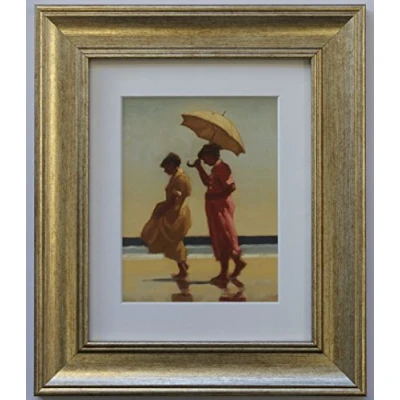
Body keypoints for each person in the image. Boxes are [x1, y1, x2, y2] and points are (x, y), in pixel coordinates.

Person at [191, 143, 246, 286]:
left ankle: (226, 271)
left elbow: (231, 186)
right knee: (219, 237)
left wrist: (216, 196)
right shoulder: (215, 169)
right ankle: (230, 267)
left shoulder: (222, 168)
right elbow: (208, 183)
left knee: (224, 236)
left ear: (211, 155)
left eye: (205, 159)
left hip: (220, 207)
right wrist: (199, 168)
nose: (204, 162)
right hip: (214, 207)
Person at [141, 153, 191, 279]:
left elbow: (174, 199)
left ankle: (183, 268)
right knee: (172, 241)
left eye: (166, 167)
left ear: (172, 165)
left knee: (172, 240)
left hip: (176, 213)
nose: (164, 170)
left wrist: (161, 210)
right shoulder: (177, 177)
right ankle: (183, 265)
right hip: (174, 212)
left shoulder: (180, 179)